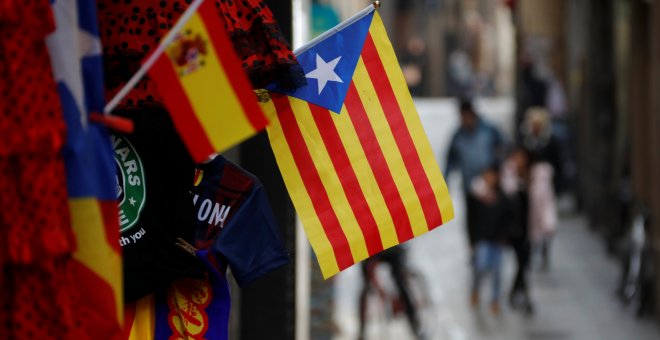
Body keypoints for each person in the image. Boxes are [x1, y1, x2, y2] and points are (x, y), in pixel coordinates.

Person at [445, 99, 504, 249]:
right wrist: (446, 183)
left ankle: (491, 247)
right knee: (472, 220)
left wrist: (495, 171)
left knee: (490, 217)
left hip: (488, 185)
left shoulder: (488, 130)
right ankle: (474, 249)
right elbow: (451, 160)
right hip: (469, 186)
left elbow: (503, 148)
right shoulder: (458, 135)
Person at [469, 164, 513, 315]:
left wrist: (505, 235)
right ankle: (475, 290)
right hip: (482, 239)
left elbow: (509, 218)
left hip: (497, 240)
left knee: (497, 272)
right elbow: (471, 220)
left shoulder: (503, 198)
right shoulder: (476, 197)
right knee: (480, 267)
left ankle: (495, 300)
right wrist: (472, 240)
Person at [358, 246, 423, 339]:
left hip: (388, 247)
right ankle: (362, 328)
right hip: (371, 249)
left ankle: (413, 322)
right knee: (367, 286)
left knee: (400, 281)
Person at [501, 147, 535, 314]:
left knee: (524, 261)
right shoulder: (508, 176)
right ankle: (522, 295)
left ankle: (517, 293)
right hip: (514, 227)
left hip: (529, 225)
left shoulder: (536, 175)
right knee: (522, 261)